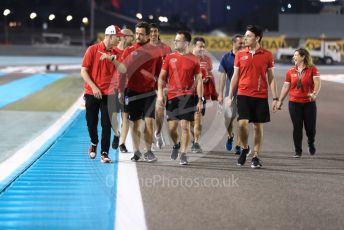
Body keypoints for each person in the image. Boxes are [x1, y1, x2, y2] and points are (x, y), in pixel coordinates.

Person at [228, 25, 278, 169]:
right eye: (245, 36)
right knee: (242, 124)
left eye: (248, 36)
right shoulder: (240, 54)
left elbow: (272, 78)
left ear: (257, 38)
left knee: (257, 126)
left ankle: (256, 156)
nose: (245, 38)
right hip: (243, 94)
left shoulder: (267, 55)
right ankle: (244, 148)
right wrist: (230, 95)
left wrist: (275, 98)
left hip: (260, 95)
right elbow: (235, 76)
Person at [81, 25, 126, 163]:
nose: (119, 39)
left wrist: (112, 59)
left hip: (109, 94)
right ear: (110, 36)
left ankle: (104, 153)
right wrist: (94, 87)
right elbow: (83, 71)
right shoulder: (92, 50)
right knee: (91, 122)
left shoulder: (116, 53)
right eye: (117, 37)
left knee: (107, 124)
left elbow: (123, 70)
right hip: (92, 92)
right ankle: (94, 143)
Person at [157, 31, 203, 165]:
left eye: (178, 40)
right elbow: (161, 77)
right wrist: (160, 94)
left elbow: (199, 80)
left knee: (185, 126)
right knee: (171, 128)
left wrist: (200, 99)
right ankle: (176, 145)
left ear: (186, 43)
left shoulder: (194, 59)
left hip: (188, 97)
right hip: (172, 97)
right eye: (175, 40)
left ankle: (183, 153)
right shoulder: (169, 57)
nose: (175, 42)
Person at [121, 21, 163, 162]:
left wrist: (161, 92)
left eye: (141, 34)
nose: (138, 36)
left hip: (149, 93)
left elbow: (160, 74)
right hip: (132, 91)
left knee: (149, 122)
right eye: (136, 33)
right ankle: (137, 151)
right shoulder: (129, 50)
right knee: (135, 124)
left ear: (147, 36)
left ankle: (149, 151)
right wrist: (121, 92)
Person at [277, 48, 321, 158]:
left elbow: (317, 82)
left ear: (303, 57)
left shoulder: (312, 69)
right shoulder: (290, 71)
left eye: (296, 55)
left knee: (310, 128)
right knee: (297, 126)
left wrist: (314, 93)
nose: (293, 57)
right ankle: (298, 150)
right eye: (294, 55)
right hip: (294, 103)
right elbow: (286, 86)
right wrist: (280, 101)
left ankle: (311, 142)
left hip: (309, 103)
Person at [190, 36, 218, 153]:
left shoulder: (207, 59)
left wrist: (208, 79)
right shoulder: (187, 58)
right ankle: (193, 138)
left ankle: (196, 142)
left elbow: (210, 73)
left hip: (201, 94)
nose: (202, 49)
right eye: (199, 46)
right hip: (187, 94)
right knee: (189, 121)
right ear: (193, 46)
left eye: (203, 47)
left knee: (198, 119)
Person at [218, 34, 244, 155]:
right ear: (233, 43)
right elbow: (222, 77)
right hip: (230, 94)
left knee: (242, 121)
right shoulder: (226, 58)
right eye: (240, 43)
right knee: (227, 120)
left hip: (244, 93)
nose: (243, 45)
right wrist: (220, 94)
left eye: (244, 43)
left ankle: (238, 145)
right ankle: (230, 136)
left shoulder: (246, 56)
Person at [112, 28, 135, 153]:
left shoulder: (132, 51)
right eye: (131, 36)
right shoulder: (113, 51)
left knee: (125, 115)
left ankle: (122, 143)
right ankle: (116, 133)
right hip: (112, 87)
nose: (133, 39)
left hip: (127, 87)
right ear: (124, 37)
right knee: (112, 115)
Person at [150, 23, 172, 149]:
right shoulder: (144, 48)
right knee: (148, 114)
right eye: (151, 31)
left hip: (162, 86)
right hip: (146, 86)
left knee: (159, 112)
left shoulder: (166, 49)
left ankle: (157, 133)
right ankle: (150, 140)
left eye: (155, 31)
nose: (153, 34)